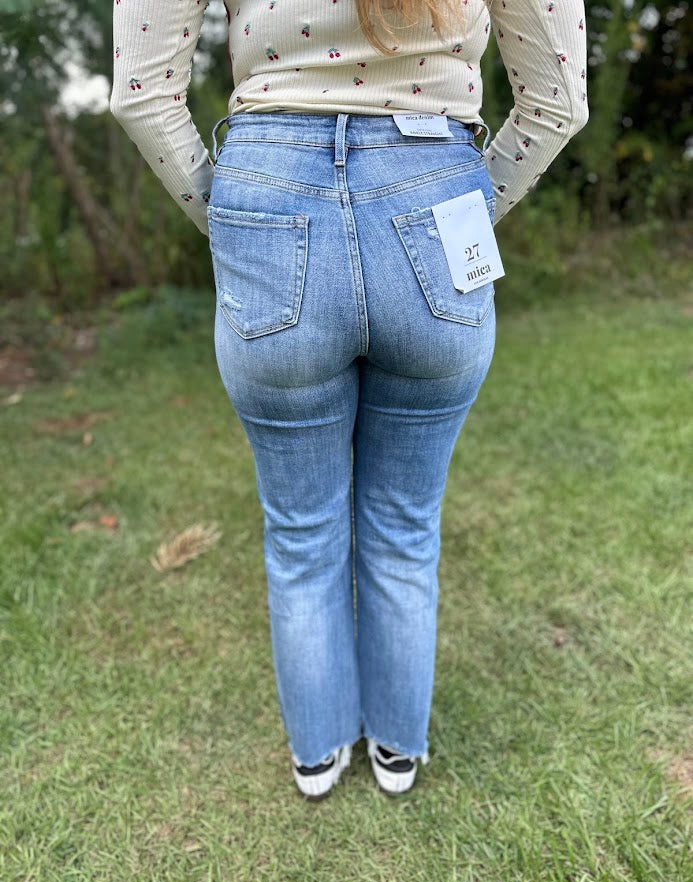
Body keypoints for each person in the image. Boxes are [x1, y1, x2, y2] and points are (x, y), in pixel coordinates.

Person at [111, 0, 588, 800]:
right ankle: (396, 747)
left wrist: (231, 221)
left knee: (301, 529)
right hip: (433, 187)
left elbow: (140, 92)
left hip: (269, 191)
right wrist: (468, 208)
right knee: (405, 522)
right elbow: (558, 102)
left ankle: (318, 749)